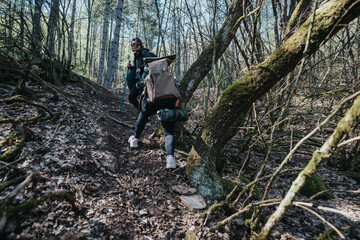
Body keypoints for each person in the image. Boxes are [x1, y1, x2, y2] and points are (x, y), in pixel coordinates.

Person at [128, 95, 180, 169]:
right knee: (169, 131)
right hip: (169, 99)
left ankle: (134, 140)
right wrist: (177, 98)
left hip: (151, 97)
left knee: (143, 115)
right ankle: (170, 159)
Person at [126, 37, 153, 110]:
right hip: (138, 80)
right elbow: (136, 69)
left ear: (140, 44)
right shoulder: (136, 55)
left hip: (145, 80)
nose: (134, 46)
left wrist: (141, 68)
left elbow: (150, 61)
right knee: (131, 97)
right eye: (132, 45)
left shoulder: (144, 52)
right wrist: (131, 67)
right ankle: (141, 112)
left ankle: (145, 118)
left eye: (136, 44)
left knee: (143, 99)